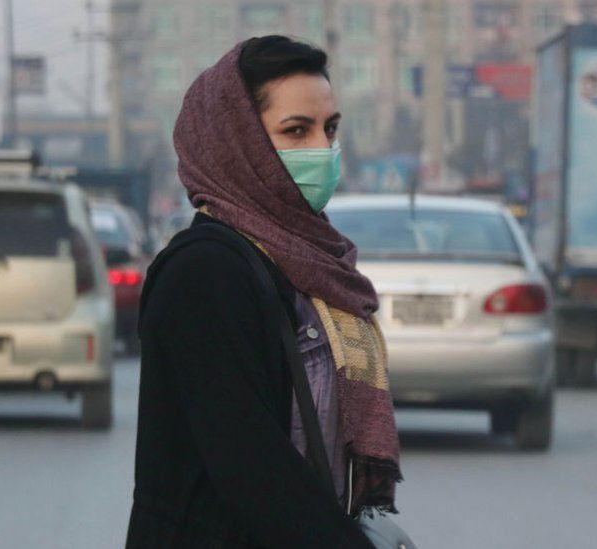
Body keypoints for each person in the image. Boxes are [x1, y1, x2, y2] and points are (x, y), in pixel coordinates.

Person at [125, 36, 401, 548]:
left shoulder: (310, 264)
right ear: (237, 141)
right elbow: (248, 462)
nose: (322, 149)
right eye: (296, 131)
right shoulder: (204, 271)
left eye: (329, 129)